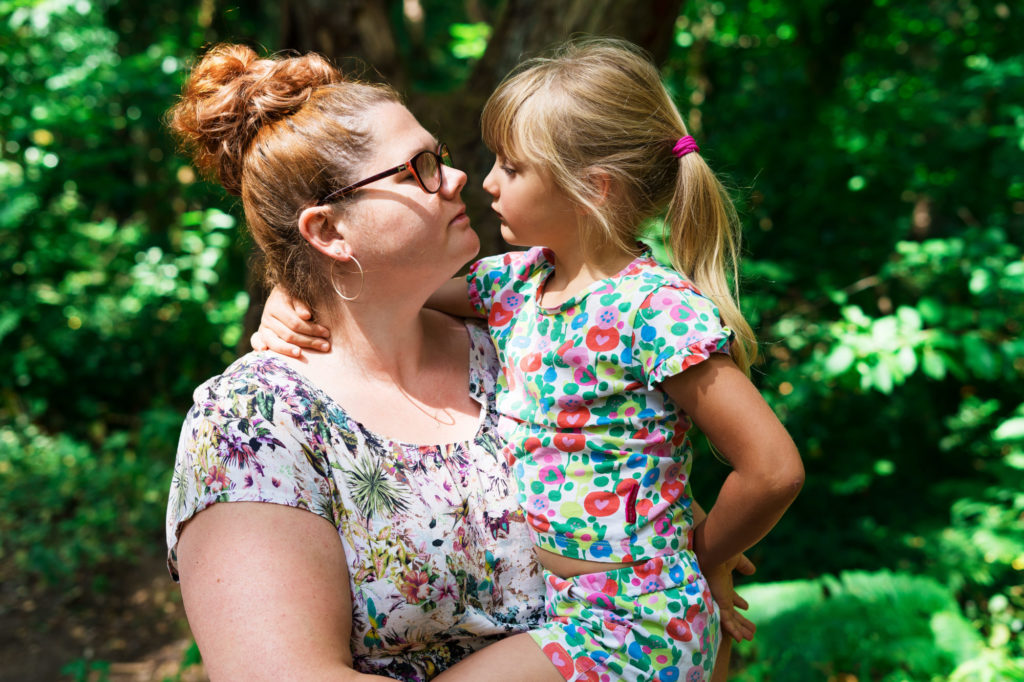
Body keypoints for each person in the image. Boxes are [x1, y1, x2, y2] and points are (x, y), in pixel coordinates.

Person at [257, 38, 802, 682]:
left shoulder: (652, 309)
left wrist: (704, 557)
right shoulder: (519, 287)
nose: (483, 181)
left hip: (636, 619)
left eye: (511, 169)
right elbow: (383, 281)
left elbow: (772, 470)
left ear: (591, 189)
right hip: (573, 612)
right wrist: (292, 290)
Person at [164, 43, 548, 681]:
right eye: (417, 169)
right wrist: (566, 659)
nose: (455, 179)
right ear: (329, 232)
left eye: (440, 157)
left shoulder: (522, 345)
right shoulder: (255, 424)